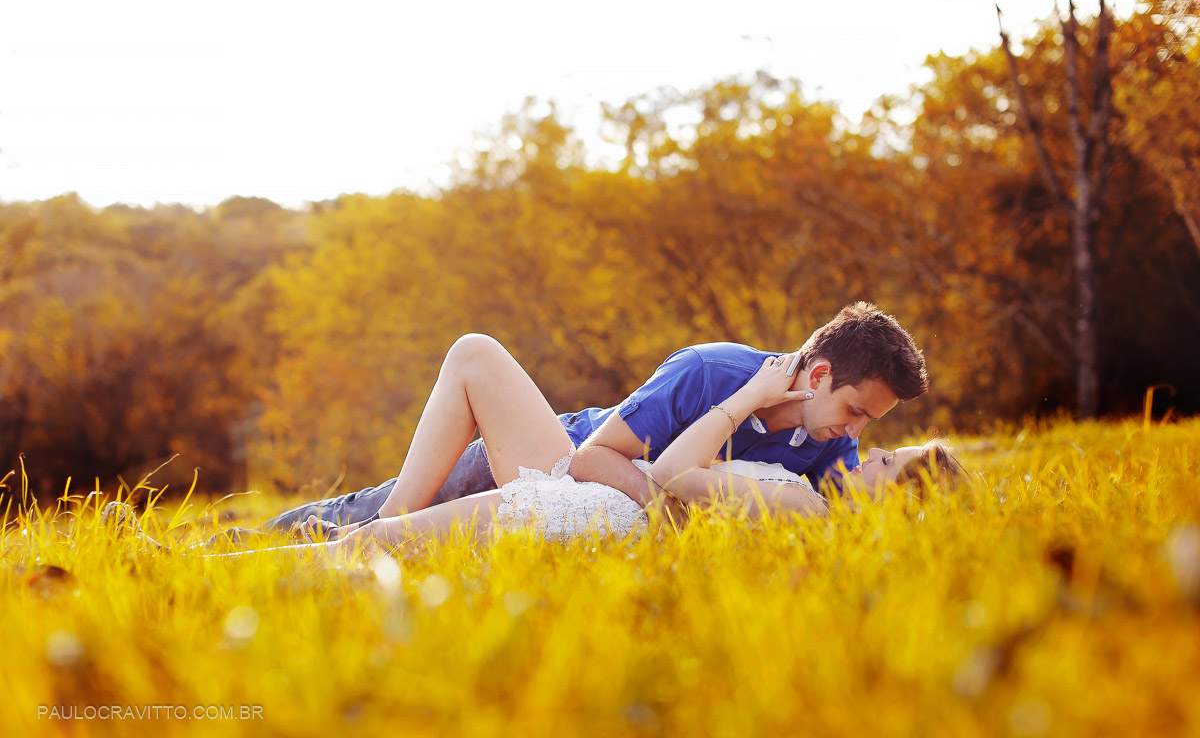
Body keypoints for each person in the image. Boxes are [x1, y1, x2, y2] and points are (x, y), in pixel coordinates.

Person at [206, 333, 963, 559]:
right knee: (375, 514)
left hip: (572, 499)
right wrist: (670, 501)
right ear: (820, 373)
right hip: (549, 456)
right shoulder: (712, 373)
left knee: (360, 521)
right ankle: (242, 538)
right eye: (857, 413)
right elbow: (598, 461)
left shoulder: (834, 459)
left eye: (875, 431)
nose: (859, 438)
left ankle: (256, 542)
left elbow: (876, 505)